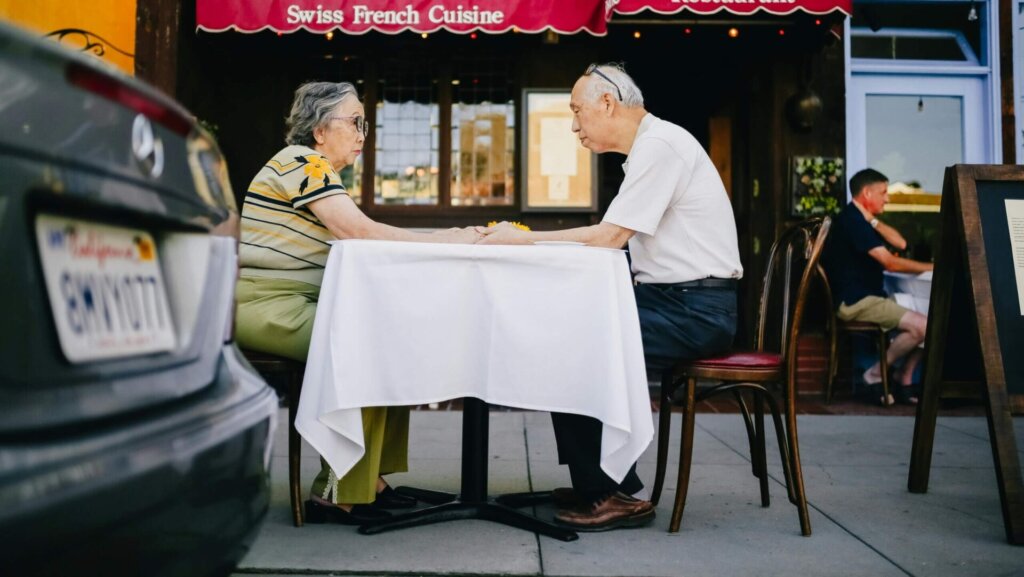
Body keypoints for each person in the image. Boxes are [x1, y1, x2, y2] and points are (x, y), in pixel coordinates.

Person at [478, 63, 743, 531]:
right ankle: (600, 481)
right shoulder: (653, 146)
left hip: (696, 312)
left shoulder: (659, 146)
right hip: (679, 302)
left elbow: (610, 237)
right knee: (568, 334)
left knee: (569, 346)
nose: (575, 125)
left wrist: (525, 240)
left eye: (578, 111)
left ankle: (613, 492)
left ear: (608, 102)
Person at [235, 81, 480, 525]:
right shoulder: (302, 162)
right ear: (319, 129)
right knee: (369, 350)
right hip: (265, 302)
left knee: (391, 342)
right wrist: (447, 237)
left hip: (292, 300)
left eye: (364, 123)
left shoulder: (315, 169)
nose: (364, 133)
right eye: (355, 121)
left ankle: (369, 481)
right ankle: (335, 493)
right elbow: (358, 232)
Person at [821, 168, 934, 406]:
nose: (888, 198)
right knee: (924, 326)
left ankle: (903, 376)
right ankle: (874, 374)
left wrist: (872, 219)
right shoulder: (852, 221)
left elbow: (900, 243)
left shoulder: (862, 220)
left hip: (871, 298)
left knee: (934, 318)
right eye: (883, 192)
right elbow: (890, 261)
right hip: (856, 302)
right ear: (867, 193)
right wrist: (934, 267)